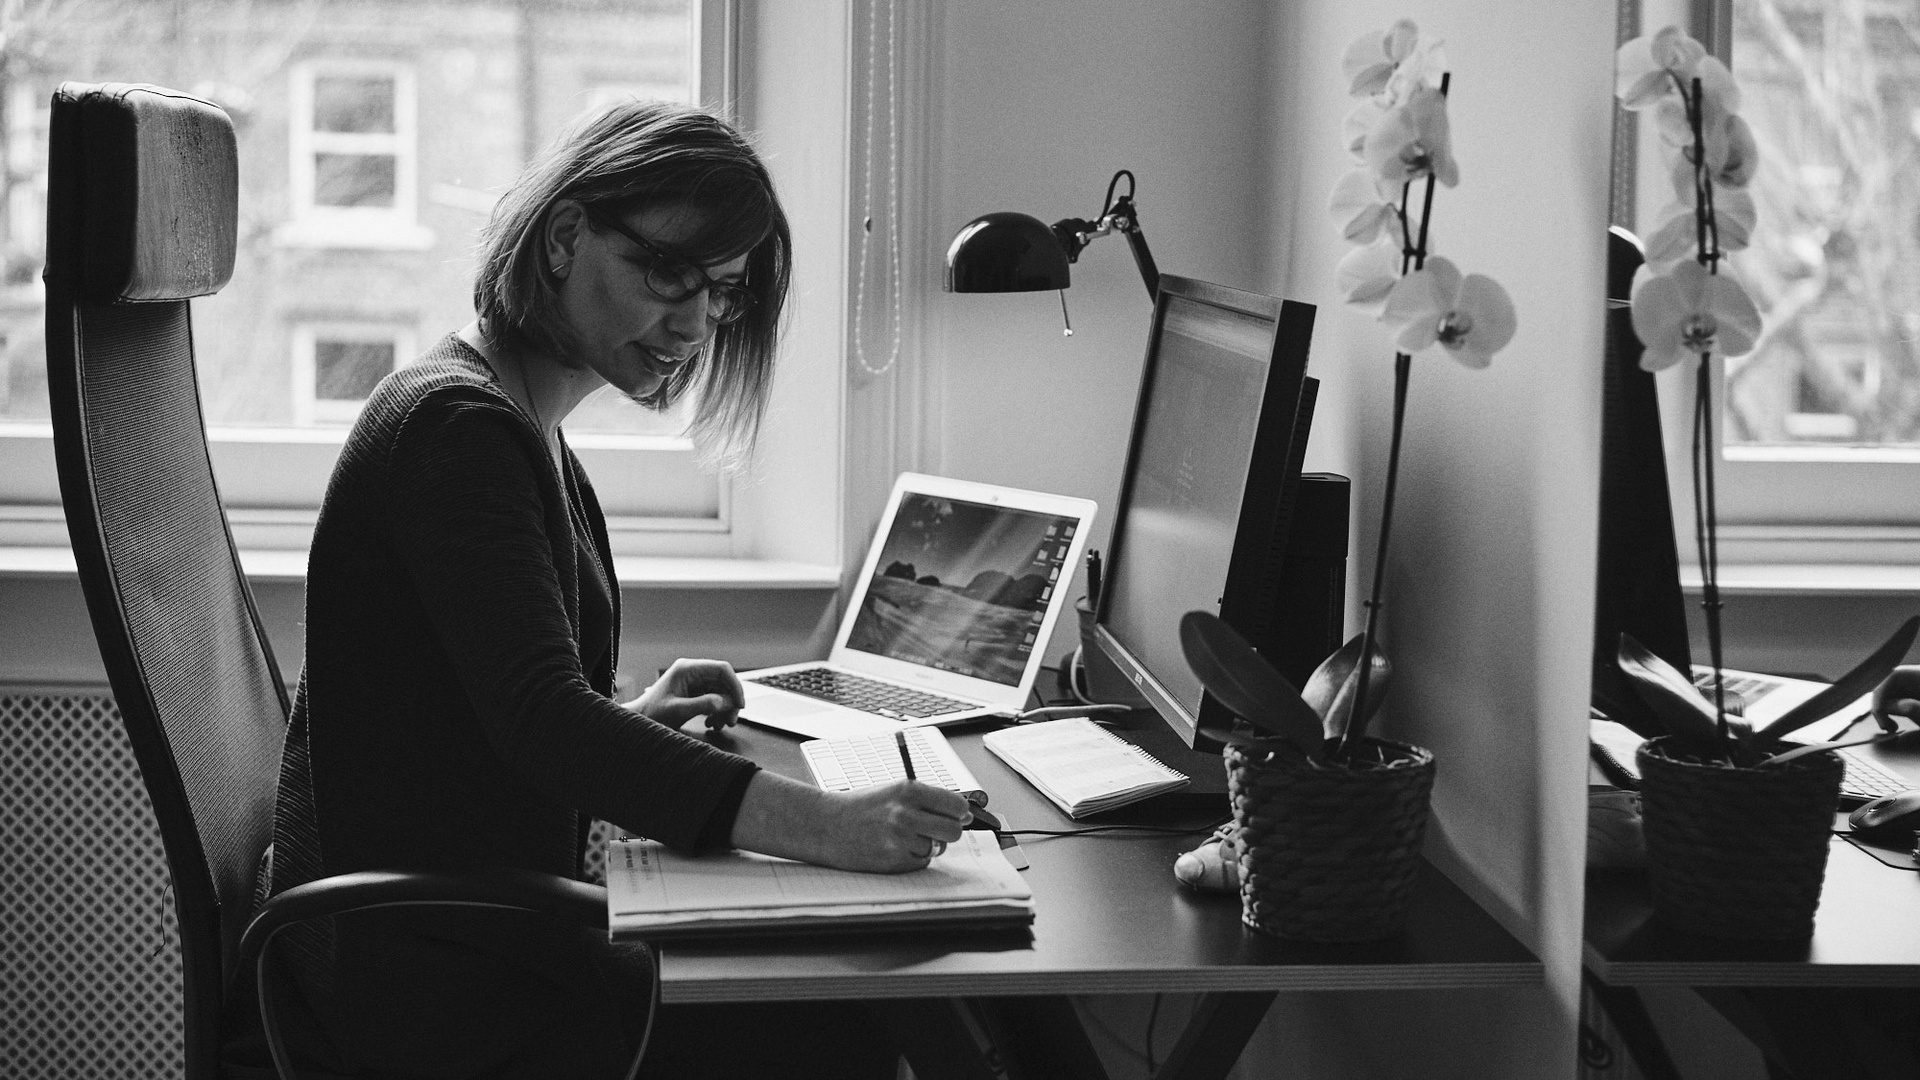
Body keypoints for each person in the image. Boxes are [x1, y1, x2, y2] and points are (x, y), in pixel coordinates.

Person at [259, 99, 971, 1079]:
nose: (696, 321)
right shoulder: (459, 434)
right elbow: (541, 718)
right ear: (564, 238)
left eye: (722, 290)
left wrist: (635, 718)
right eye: (667, 273)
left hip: (464, 921)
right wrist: (831, 824)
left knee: (895, 998)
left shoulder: (512, 417)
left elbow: (466, 723)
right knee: (872, 1022)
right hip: (436, 988)